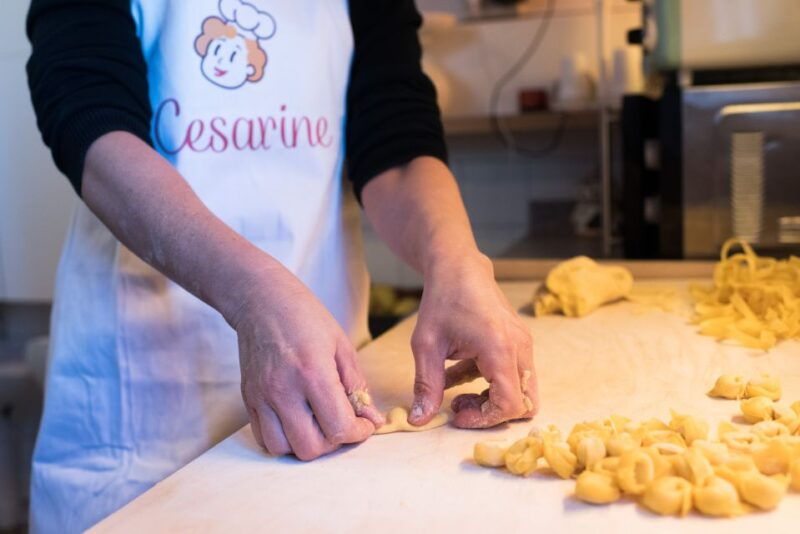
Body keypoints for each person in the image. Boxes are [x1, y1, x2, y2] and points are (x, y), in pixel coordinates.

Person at [26, 0, 539, 531]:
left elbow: (396, 138)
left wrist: (455, 259)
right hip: (143, 416)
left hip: (329, 401)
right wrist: (253, 292)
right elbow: (89, 120)